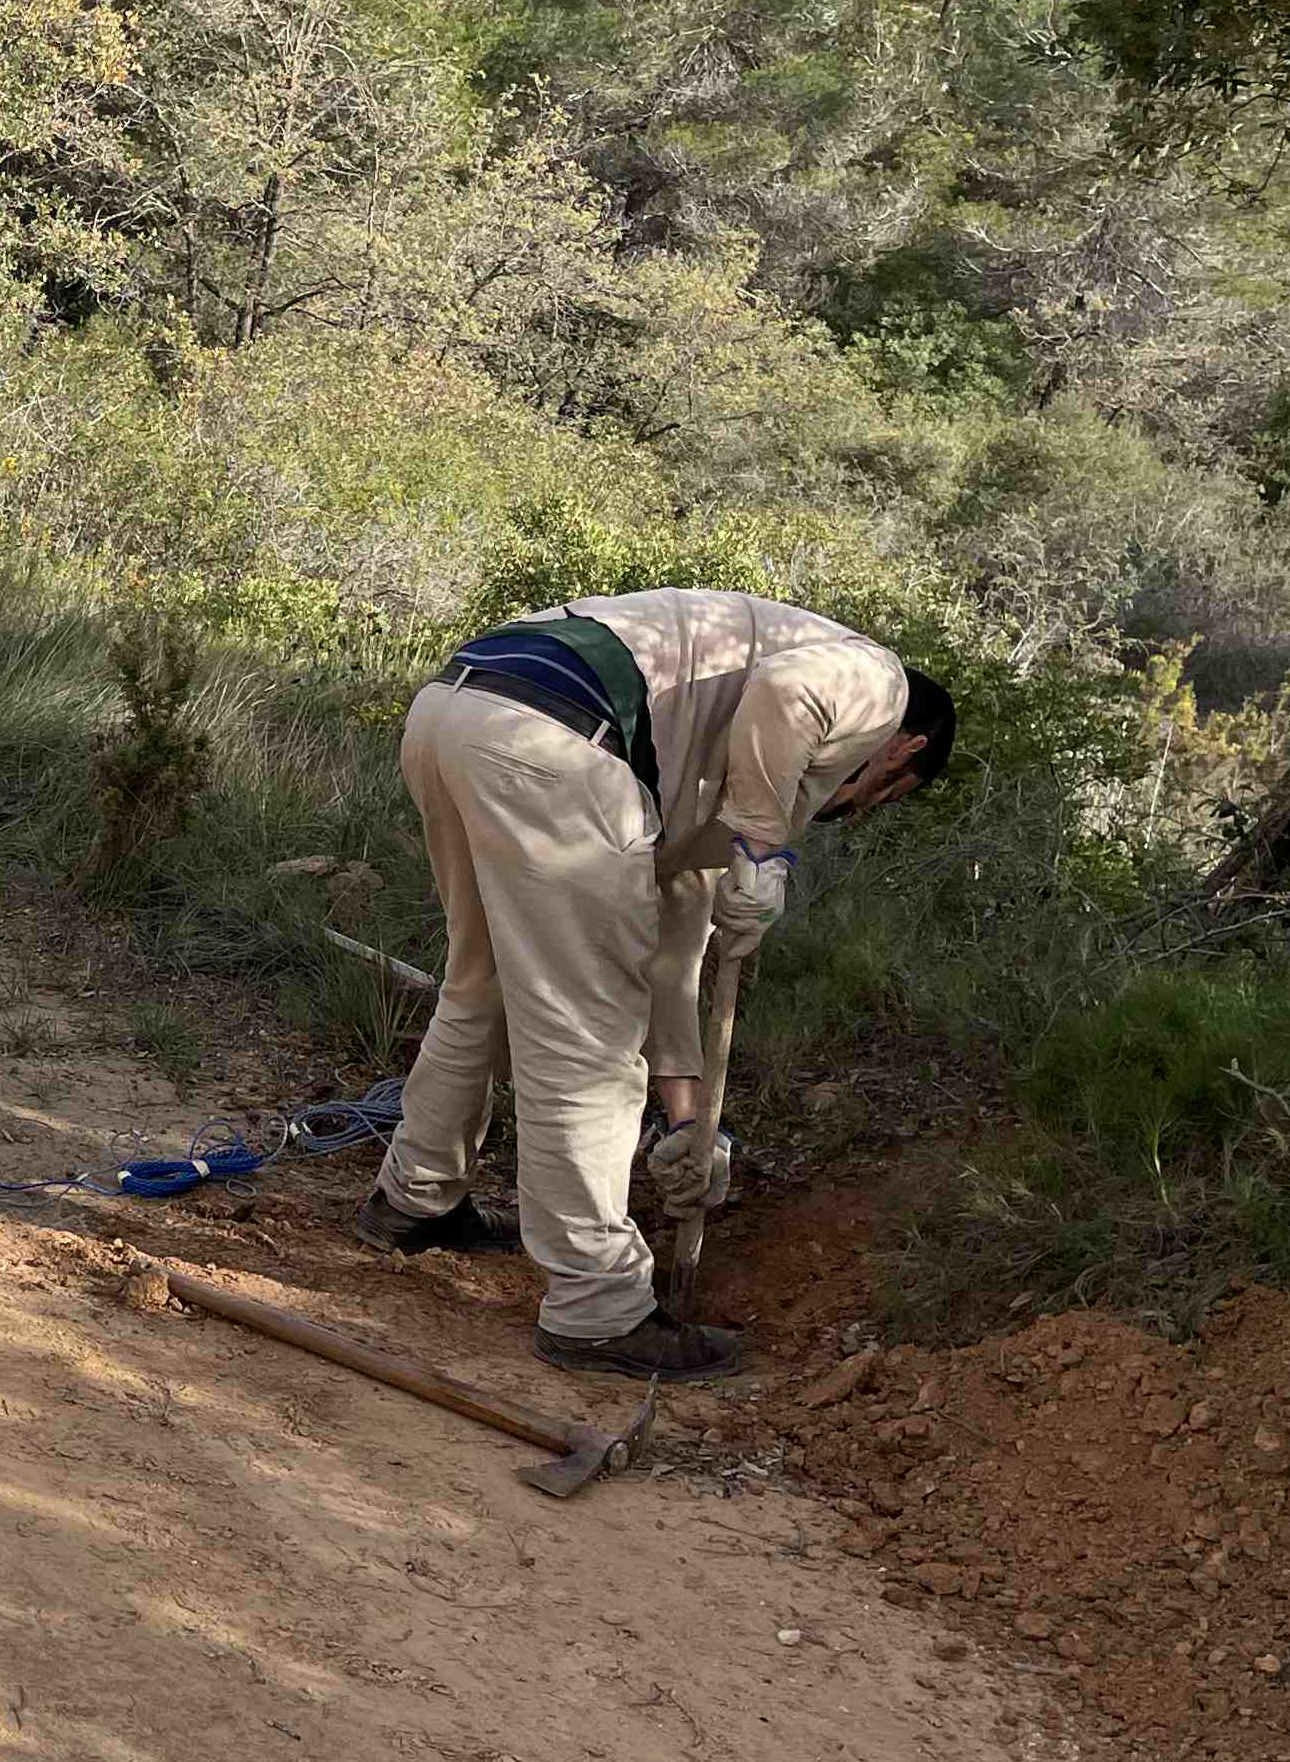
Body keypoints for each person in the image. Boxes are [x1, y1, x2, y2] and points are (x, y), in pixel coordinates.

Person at [354, 589, 954, 1380]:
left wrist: (688, 1123)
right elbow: (789, 696)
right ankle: (597, 1308)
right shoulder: (877, 683)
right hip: (560, 749)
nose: (849, 805)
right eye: (873, 795)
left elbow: (671, 964)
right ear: (902, 754)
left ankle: (413, 1198)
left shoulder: (700, 742)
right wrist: (764, 848)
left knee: (482, 985)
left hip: (457, 711)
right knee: (585, 1038)